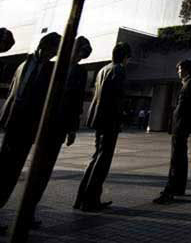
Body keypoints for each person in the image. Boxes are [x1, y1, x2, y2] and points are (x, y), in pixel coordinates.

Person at [26, 37, 92, 226]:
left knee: (42, 169)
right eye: (79, 54)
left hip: (55, 126)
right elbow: (73, 101)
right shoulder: (59, 68)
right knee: (40, 169)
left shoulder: (65, 69)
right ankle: (28, 210)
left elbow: (76, 103)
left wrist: (72, 128)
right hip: (50, 125)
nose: (79, 58)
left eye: (82, 56)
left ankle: (29, 210)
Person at [0, 32, 61, 233]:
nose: (54, 55)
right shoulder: (24, 65)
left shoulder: (49, 68)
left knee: (11, 172)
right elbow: (13, 94)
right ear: (45, 47)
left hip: (27, 129)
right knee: (6, 171)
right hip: (14, 125)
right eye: (53, 50)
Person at [74, 42, 131, 212]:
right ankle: (90, 200)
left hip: (99, 118)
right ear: (125, 57)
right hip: (109, 119)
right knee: (102, 160)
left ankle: (82, 198)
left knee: (96, 157)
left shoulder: (103, 69)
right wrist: (120, 118)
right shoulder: (119, 70)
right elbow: (117, 97)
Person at [153, 59, 191, 204]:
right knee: (181, 157)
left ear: (186, 70)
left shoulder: (189, 84)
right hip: (182, 126)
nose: (178, 71)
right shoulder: (189, 83)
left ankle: (170, 191)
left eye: (179, 69)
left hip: (180, 127)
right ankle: (179, 188)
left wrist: (175, 124)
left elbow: (184, 108)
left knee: (176, 158)